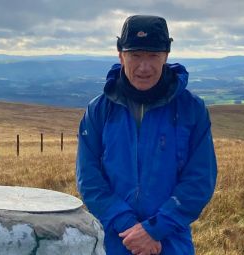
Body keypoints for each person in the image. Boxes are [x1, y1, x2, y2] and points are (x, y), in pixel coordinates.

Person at [76, 15, 217, 255]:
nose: (144, 67)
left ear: (166, 56)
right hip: (114, 238)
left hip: (170, 240)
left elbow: (200, 179)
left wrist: (155, 229)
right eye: (136, 55)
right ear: (121, 55)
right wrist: (127, 225)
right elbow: (89, 179)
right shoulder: (99, 110)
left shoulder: (191, 109)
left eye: (153, 55)